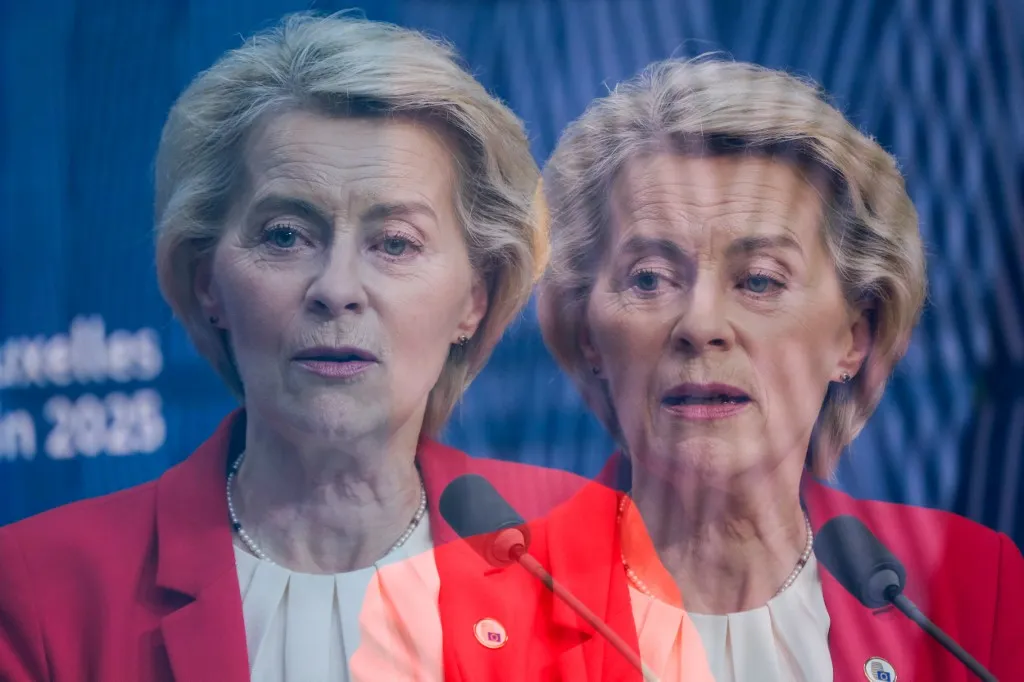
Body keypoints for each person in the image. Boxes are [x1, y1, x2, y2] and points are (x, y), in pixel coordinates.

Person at [351, 57, 1024, 682]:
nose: (700, 326)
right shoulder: (437, 615)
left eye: (759, 281)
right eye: (648, 279)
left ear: (853, 337)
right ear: (589, 334)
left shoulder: (966, 587)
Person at [0, 13, 584, 682]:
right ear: (207, 283)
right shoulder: (42, 589)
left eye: (394, 242)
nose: (337, 289)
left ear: (473, 300)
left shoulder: (582, 563)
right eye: (284, 236)